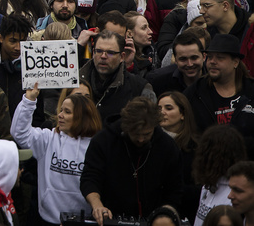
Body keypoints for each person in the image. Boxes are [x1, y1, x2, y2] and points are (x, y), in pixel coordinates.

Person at [82, 96, 183, 223]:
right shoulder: (103, 141)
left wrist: (164, 215)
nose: (141, 139)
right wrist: (97, 206)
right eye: (135, 134)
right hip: (111, 217)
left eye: (146, 134)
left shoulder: (167, 146)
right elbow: (90, 178)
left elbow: (174, 189)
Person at [12, 86, 102, 225]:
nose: (60, 115)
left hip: (84, 220)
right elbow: (20, 133)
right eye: (61, 110)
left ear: (81, 117)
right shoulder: (49, 138)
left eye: (67, 112)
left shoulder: (97, 146)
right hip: (47, 220)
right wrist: (29, 100)